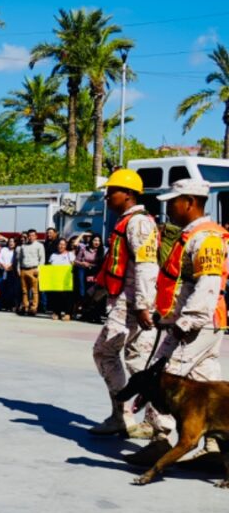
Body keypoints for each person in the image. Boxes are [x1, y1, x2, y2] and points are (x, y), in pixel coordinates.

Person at [144, 177, 227, 462]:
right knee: (206, 381)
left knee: (165, 378)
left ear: (190, 202)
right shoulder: (194, 234)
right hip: (205, 322)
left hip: (196, 324)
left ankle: (161, 440)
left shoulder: (205, 238)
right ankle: (215, 447)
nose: (169, 208)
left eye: (173, 202)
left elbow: (208, 284)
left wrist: (184, 323)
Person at [88, 169, 160, 438]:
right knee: (136, 362)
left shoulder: (138, 223)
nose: (107, 197)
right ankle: (145, 421)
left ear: (128, 194)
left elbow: (146, 265)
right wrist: (97, 290)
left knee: (107, 353)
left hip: (131, 304)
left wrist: (143, 304)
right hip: (127, 301)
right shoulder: (128, 222)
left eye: (112, 191)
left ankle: (126, 416)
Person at [17, 229, 46, 315]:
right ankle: (25, 306)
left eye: (33, 235)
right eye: (29, 235)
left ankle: (33, 308)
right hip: (23, 269)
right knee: (24, 291)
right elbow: (20, 259)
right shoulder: (23, 246)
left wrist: (39, 269)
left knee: (34, 291)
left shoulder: (39, 246)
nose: (31, 237)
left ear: (36, 236)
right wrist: (19, 269)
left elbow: (42, 259)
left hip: (33, 269)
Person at [47, 239, 75, 320]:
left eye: (63, 244)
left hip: (67, 279)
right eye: (60, 244)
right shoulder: (53, 255)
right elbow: (50, 266)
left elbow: (73, 265)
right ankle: (56, 312)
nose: (61, 246)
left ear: (66, 245)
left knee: (67, 296)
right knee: (56, 296)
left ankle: (67, 313)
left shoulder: (70, 254)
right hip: (56, 279)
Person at [0, 238, 17, 311]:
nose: (11, 243)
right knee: (1, 288)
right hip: (2, 270)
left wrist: (10, 266)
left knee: (10, 290)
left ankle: (9, 306)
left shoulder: (16, 251)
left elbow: (15, 260)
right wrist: (4, 265)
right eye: (10, 241)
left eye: (13, 242)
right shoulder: (4, 249)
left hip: (11, 272)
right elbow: (0, 258)